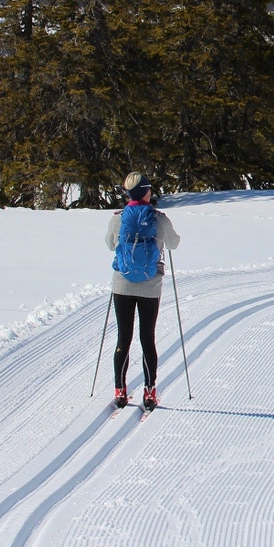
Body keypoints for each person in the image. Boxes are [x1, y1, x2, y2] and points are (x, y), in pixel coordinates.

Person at [105, 172, 181, 410]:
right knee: (147, 338)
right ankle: (149, 392)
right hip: (150, 286)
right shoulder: (158, 219)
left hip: (122, 284)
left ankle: (120, 390)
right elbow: (174, 244)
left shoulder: (118, 218)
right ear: (147, 191)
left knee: (123, 338)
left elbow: (109, 245)